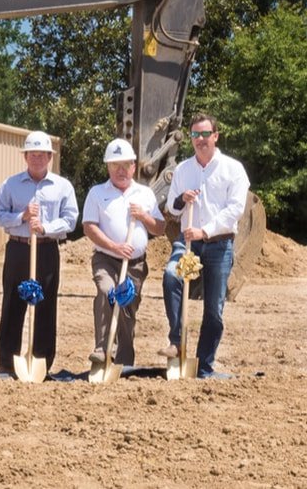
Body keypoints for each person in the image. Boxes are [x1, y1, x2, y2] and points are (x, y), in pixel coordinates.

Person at [158, 114, 249, 378]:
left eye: (205, 134)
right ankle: (176, 341)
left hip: (219, 245)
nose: (200, 140)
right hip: (188, 242)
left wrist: (206, 229)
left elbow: (235, 210)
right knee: (170, 277)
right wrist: (180, 198)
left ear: (216, 136)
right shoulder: (184, 170)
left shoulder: (233, 169)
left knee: (214, 309)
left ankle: (204, 366)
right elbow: (170, 209)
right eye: (195, 135)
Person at [0, 130, 78, 377]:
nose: (38, 159)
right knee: (12, 302)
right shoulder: (10, 185)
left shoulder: (62, 186)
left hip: (47, 249)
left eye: (43, 155)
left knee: (45, 304)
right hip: (18, 248)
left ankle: (42, 360)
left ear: (50, 157)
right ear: (26, 156)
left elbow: (71, 219)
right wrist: (21, 216)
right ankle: (7, 361)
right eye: (33, 154)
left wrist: (45, 228)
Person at [81, 138, 165, 367]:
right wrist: (114, 246)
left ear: (134, 167)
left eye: (125, 165)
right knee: (106, 291)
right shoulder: (97, 193)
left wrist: (144, 217)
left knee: (127, 308)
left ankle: (124, 362)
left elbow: (160, 227)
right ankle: (102, 349)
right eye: (115, 165)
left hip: (135, 264)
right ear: (108, 167)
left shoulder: (145, 194)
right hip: (106, 259)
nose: (120, 170)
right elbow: (89, 227)